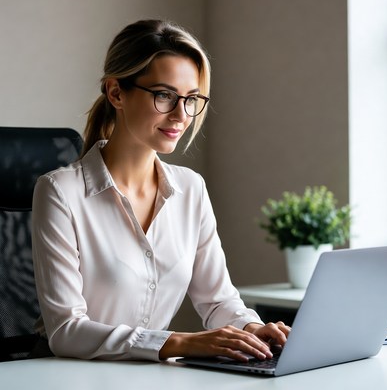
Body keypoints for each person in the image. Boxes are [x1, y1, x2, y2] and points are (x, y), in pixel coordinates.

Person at [31, 19, 290, 362]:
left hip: (148, 377)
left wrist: (250, 329)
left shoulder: (190, 188)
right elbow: (66, 330)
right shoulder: (59, 192)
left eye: (191, 98)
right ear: (116, 92)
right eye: (164, 96)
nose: (181, 115)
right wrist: (178, 343)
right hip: (70, 378)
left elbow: (218, 301)